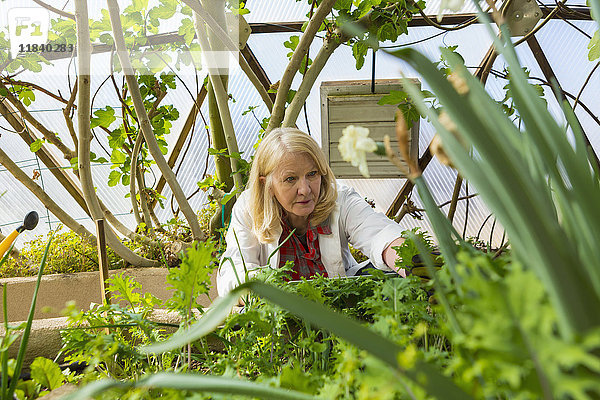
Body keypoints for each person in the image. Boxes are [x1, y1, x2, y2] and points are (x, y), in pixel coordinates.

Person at [217, 128, 407, 296]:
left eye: (312, 174)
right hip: (283, 313)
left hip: (339, 307)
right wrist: (268, 289)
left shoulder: (339, 198)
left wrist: (411, 261)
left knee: (386, 276)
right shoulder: (249, 210)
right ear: (266, 184)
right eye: (291, 179)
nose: (305, 189)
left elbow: (379, 234)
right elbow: (234, 274)